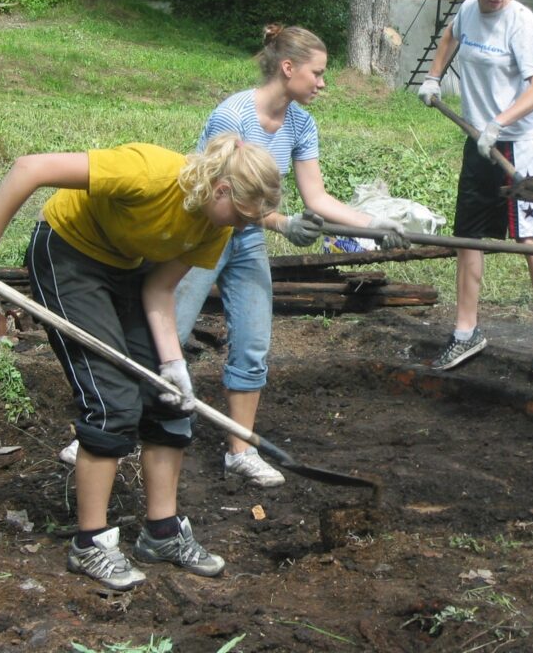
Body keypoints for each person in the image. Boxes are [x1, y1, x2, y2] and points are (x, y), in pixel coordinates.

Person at [0, 133, 282, 590]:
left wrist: (173, 365)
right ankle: (90, 543)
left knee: (170, 401)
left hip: (128, 270)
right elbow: (30, 167)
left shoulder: (217, 226)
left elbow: (159, 291)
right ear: (221, 190)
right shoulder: (149, 173)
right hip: (68, 254)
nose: (245, 228)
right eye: (243, 216)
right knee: (112, 402)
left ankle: (161, 534)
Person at [171, 24, 409, 487]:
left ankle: (239, 450)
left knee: (254, 344)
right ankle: (104, 431)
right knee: (169, 335)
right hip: (206, 232)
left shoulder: (301, 123)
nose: (322, 83)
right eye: (317, 73)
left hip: (247, 241)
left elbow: (316, 198)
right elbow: (223, 196)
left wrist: (372, 224)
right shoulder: (233, 116)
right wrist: (281, 223)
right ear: (288, 68)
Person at [417, 0, 533, 376]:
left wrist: (499, 123)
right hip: (477, 141)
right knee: (470, 237)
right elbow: (450, 37)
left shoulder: (519, 21)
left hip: (516, 143)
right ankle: (466, 333)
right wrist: (433, 75)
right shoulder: (467, 11)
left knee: (530, 238)